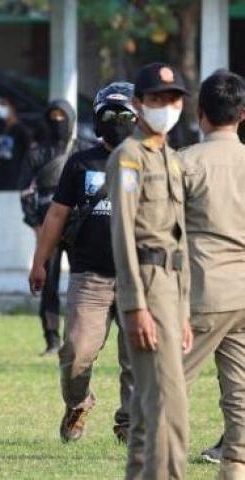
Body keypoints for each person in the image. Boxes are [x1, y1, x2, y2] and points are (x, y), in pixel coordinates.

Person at [29, 82, 137, 443]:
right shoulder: (79, 162)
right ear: (97, 119)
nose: (117, 122)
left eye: (125, 115)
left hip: (139, 278)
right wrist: (39, 262)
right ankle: (77, 403)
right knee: (74, 353)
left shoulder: (151, 160)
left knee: (137, 360)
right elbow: (56, 216)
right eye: (110, 115)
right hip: (89, 276)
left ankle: (129, 422)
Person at [106, 62, 192, 479]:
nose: (167, 107)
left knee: (147, 407)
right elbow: (123, 234)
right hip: (148, 285)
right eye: (157, 99)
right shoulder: (129, 158)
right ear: (138, 104)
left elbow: (181, 239)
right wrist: (135, 305)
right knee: (168, 406)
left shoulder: (172, 159)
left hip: (173, 290)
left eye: (173, 99)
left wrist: (185, 310)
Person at [180, 70, 245, 478]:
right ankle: (236, 469)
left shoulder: (184, 163)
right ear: (242, 114)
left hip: (200, 295)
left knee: (167, 389)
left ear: (200, 113)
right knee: (240, 393)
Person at [20, 99, 83, 355]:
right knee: (48, 283)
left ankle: (80, 337)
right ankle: (52, 340)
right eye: (53, 117)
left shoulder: (82, 151)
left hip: (80, 228)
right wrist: (36, 224)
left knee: (83, 283)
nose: (58, 122)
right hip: (48, 227)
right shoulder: (36, 155)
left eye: (62, 117)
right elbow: (25, 192)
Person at [0, 97, 32, 190]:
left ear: (12, 108)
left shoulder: (21, 130)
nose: (1, 109)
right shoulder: (0, 130)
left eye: (4, 105)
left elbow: (30, 152)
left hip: (15, 177)